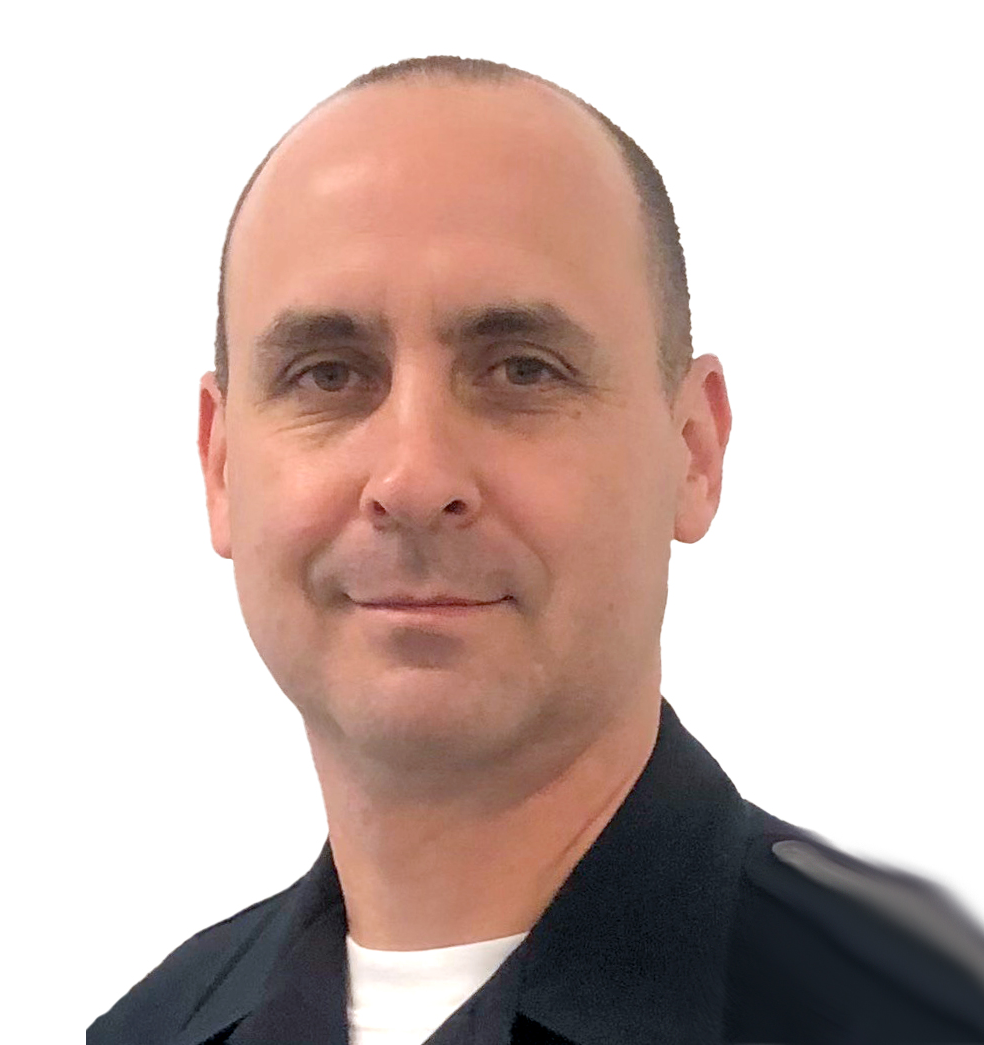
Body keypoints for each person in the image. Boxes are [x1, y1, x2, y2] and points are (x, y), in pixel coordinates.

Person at [88, 56, 984, 1044]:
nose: (413, 477)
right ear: (220, 467)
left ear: (692, 452)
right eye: (328, 374)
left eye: (522, 370)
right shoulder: (148, 1028)